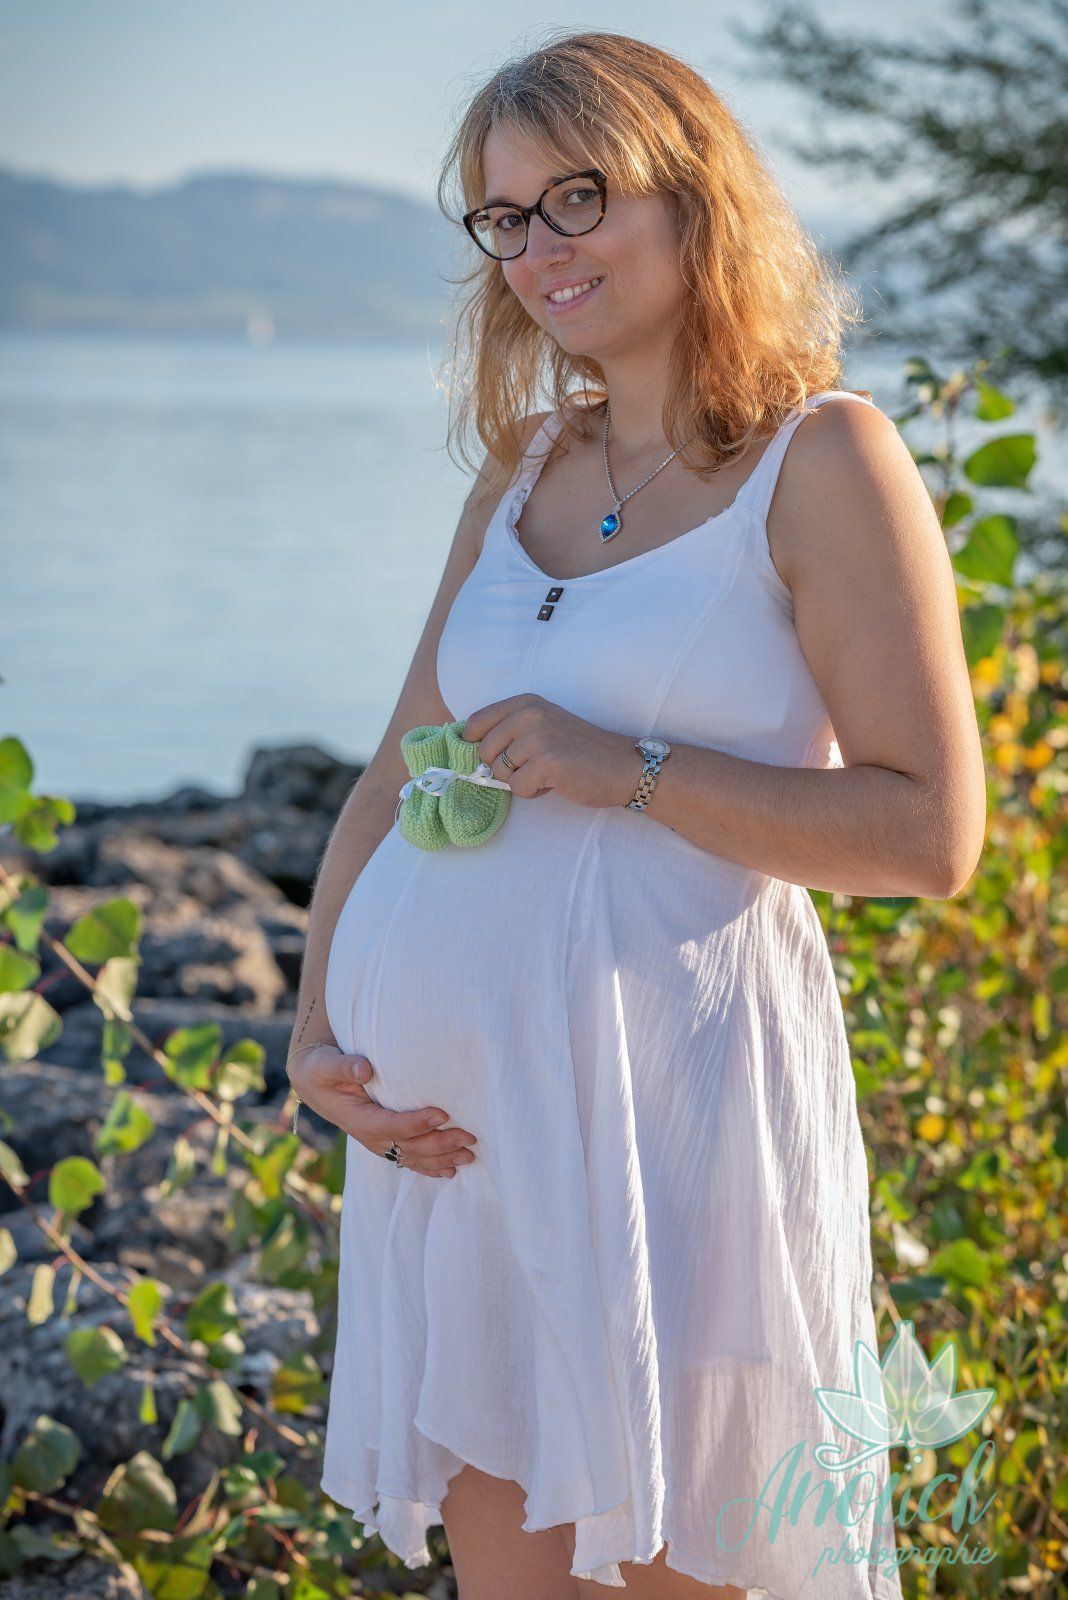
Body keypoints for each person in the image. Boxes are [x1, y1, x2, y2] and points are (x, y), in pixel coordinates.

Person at [287, 29, 986, 1600]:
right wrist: (315, 1026)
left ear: (695, 197)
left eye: (578, 198)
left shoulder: (826, 460)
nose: (540, 249)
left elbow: (930, 835)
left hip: (672, 1146)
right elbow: (402, 772)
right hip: (460, 1162)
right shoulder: (523, 466)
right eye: (507, 218)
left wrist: (637, 772)